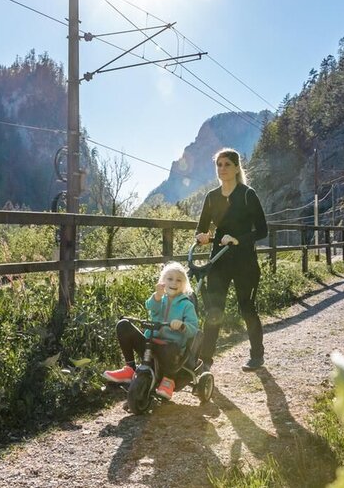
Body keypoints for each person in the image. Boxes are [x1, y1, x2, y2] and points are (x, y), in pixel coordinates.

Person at [195, 148, 268, 372]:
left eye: (227, 164)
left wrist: (238, 239)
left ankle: (257, 356)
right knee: (214, 311)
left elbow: (263, 230)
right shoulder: (211, 197)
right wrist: (203, 237)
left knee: (247, 308)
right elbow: (201, 229)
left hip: (245, 262)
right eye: (219, 165)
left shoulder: (248, 195)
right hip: (219, 262)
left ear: (237, 168)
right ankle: (205, 361)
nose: (223, 169)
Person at [102, 262, 198, 400]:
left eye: (179, 280)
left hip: (171, 349)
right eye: (170, 279)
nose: (174, 283)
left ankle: (169, 379)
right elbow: (151, 307)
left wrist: (182, 325)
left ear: (184, 284)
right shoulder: (159, 299)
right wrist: (157, 296)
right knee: (123, 325)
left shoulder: (186, 305)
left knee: (171, 348)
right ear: (162, 281)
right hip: (150, 344)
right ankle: (130, 368)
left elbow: (193, 329)